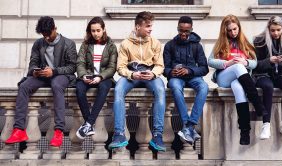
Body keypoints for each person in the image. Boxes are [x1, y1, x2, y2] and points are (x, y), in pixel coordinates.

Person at [5, 16, 77, 147]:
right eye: (44, 35)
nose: (47, 38)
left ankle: (59, 130)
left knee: (56, 84)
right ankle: (19, 130)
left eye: (49, 34)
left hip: (61, 76)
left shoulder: (69, 43)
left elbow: (72, 67)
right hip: (42, 76)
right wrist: (34, 71)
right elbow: (33, 62)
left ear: (55, 28)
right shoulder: (38, 43)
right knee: (24, 86)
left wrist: (54, 71)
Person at [108, 11, 166, 152]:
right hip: (131, 75)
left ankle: (157, 135)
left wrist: (152, 73)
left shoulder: (155, 43)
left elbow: (160, 65)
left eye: (151, 26)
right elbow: (120, 67)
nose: (150, 29)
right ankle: (119, 134)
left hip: (150, 75)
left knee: (160, 90)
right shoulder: (125, 44)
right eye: (147, 26)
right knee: (118, 90)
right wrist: (132, 75)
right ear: (137, 27)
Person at [208, 14, 266, 145]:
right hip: (224, 77)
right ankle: (257, 104)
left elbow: (255, 63)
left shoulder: (245, 43)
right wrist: (228, 63)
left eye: (235, 29)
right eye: (229, 30)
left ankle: (244, 132)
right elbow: (210, 61)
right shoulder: (221, 43)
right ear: (225, 30)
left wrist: (245, 62)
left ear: (239, 27)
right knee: (238, 67)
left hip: (239, 79)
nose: (233, 32)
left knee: (238, 88)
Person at [253, 16, 282, 141]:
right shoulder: (259, 41)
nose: (276, 33)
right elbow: (255, 64)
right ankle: (266, 125)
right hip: (262, 75)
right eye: (273, 30)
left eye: (279, 30)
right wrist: (269, 60)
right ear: (268, 29)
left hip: (279, 74)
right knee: (268, 87)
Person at [163, 16, 209, 145]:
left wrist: (189, 70)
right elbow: (163, 68)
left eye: (186, 31)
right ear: (178, 29)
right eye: (181, 30)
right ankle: (187, 125)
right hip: (176, 78)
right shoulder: (169, 45)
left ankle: (190, 125)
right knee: (176, 88)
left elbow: (204, 68)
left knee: (204, 87)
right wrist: (170, 72)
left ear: (191, 30)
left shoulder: (197, 46)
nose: (183, 34)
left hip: (193, 77)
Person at [75, 17, 118, 139]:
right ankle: (89, 124)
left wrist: (100, 77)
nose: (95, 33)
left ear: (103, 29)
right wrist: (83, 76)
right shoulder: (86, 45)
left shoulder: (111, 46)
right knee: (79, 88)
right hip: (88, 76)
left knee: (104, 88)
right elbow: (80, 63)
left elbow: (112, 67)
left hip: (104, 78)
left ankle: (88, 123)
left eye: (98, 30)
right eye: (93, 31)